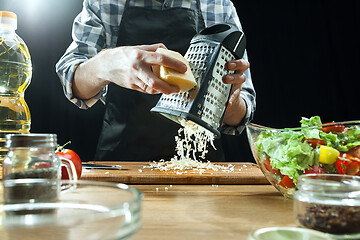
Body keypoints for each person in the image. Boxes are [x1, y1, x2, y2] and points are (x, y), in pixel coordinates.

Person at [56, 0, 256, 162]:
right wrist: (107, 63)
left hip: (200, 166)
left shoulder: (218, 5)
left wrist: (226, 100)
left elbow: (239, 115)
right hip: (122, 164)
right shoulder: (105, 4)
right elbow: (72, 80)